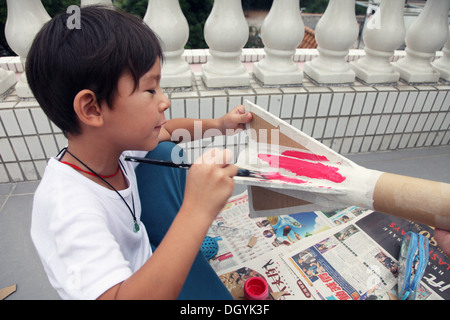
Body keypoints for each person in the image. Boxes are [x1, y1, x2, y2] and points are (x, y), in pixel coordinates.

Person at [27, 6, 252, 300]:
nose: (164, 101)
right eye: (150, 90)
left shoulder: (108, 150)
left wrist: (218, 125)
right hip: (135, 289)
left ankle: (179, 243)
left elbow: (168, 131)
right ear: (92, 108)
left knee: (163, 150)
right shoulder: (69, 210)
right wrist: (197, 211)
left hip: (143, 254)